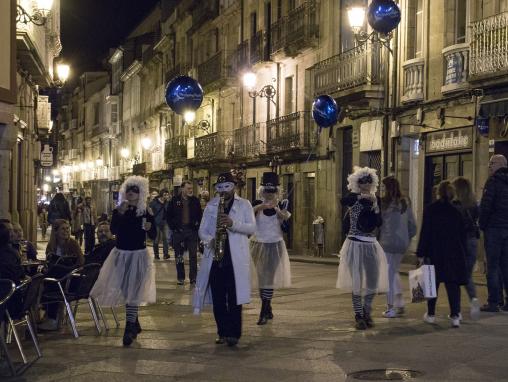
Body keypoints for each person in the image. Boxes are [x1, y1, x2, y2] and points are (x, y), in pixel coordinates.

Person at [90, 176, 156, 347]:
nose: (131, 193)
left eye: (135, 190)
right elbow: (113, 230)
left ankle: (129, 329)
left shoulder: (146, 211)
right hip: (121, 255)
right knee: (127, 291)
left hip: (139, 255)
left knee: (133, 291)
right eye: (129, 189)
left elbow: (154, 235)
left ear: (141, 193)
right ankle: (134, 322)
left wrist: (151, 228)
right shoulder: (120, 209)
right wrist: (119, 212)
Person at [193, 172, 256, 347]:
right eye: (219, 188)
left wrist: (232, 223)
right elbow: (202, 230)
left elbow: (252, 227)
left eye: (226, 187)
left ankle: (234, 334)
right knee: (219, 299)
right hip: (215, 258)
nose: (223, 191)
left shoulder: (244, 205)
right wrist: (209, 240)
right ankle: (222, 332)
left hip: (235, 259)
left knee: (235, 299)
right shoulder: (212, 205)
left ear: (233, 187)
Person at [337, 166, 388, 330]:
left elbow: (379, 222)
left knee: (373, 281)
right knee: (357, 283)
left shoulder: (375, 199)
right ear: (357, 183)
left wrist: (376, 206)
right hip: (354, 244)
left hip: (371, 244)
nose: (366, 184)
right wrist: (359, 196)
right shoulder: (354, 197)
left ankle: (367, 311)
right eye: (362, 181)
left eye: (369, 181)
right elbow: (343, 201)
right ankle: (359, 315)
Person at [417, 180, 468, 328]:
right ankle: (455, 316)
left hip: (435, 252)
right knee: (453, 285)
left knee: (433, 284)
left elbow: (425, 232)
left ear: (438, 193)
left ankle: (431, 314)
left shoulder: (431, 209)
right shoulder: (457, 211)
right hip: (453, 252)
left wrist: (421, 252)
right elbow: (462, 235)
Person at [250, 172, 291, 325]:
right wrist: (260, 207)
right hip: (258, 244)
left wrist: (281, 215)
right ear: (262, 190)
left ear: (276, 191)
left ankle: (263, 310)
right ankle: (267, 308)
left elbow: (287, 228)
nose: (269, 194)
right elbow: (248, 220)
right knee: (262, 278)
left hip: (275, 244)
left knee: (269, 277)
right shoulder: (256, 203)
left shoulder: (282, 204)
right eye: (266, 191)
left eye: (272, 191)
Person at [378, 176, 417, 318]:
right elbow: (413, 225)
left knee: (388, 274)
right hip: (402, 243)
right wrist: (407, 237)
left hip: (387, 243)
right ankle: (399, 301)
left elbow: (379, 224)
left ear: (387, 188)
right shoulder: (405, 202)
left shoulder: (383, 203)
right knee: (392, 270)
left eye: (383, 187)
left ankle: (390, 307)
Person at [39, 219, 84, 330]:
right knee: (44, 281)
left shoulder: (73, 244)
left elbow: (81, 263)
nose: (66, 231)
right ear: (56, 231)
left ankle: (52, 318)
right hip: (59, 279)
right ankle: (49, 315)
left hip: (72, 281)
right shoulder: (51, 246)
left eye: (67, 228)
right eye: (63, 229)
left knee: (49, 286)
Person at [479, 154, 508, 312]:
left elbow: (486, 206)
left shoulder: (493, 182)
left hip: (494, 230)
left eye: (491, 164)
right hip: (507, 229)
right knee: (506, 266)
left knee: (492, 266)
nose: (489, 166)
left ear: (499, 165)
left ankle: (493, 301)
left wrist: (482, 225)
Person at [452, 177, 481, 319]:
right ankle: (473, 299)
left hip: (460, 242)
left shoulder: (455, 205)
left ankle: (456, 310)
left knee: (457, 274)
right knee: (467, 273)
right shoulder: (474, 204)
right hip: (473, 241)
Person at [167, 180, 202, 285]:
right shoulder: (174, 200)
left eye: (191, 188)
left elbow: (200, 215)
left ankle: (193, 278)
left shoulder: (195, 201)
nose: (190, 190)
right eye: (188, 188)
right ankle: (181, 277)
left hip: (192, 231)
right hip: (179, 232)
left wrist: (197, 225)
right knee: (179, 256)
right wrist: (174, 227)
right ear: (182, 189)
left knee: (193, 256)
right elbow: (168, 216)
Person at [149, 189, 171, 260]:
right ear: (161, 195)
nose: (166, 196)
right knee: (156, 239)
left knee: (166, 239)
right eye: (165, 195)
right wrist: (151, 215)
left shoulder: (167, 202)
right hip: (156, 223)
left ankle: (165, 254)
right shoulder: (154, 202)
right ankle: (156, 254)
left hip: (165, 222)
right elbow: (149, 208)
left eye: (167, 195)